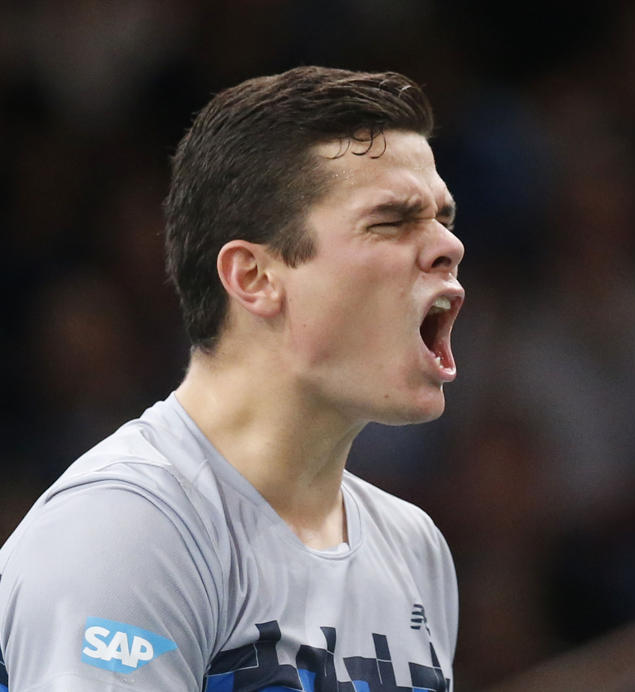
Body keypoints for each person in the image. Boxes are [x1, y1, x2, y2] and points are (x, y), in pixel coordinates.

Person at [0, 66, 464, 690]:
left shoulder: (416, 549)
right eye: (391, 220)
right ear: (254, 278)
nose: (446, 245)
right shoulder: (126, 532)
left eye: (443, 218)